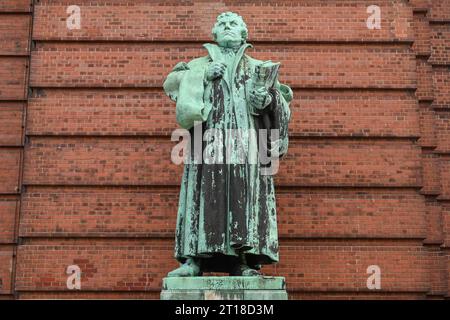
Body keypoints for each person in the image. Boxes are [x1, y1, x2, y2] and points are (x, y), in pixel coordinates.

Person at [163, 12, 293, 276]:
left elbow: (283, 105)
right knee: (202, 196)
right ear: (215, 34)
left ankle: (243, 261)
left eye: (233, 24)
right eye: (222, 24)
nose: (227, 28)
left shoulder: (258, 67)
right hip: (207, 142)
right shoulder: (199, 64)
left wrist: (267, 101)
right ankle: (194, 261)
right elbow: (171, 85)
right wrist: (202, 76)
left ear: (244, 33)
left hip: (246, 146)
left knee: (244, 199)